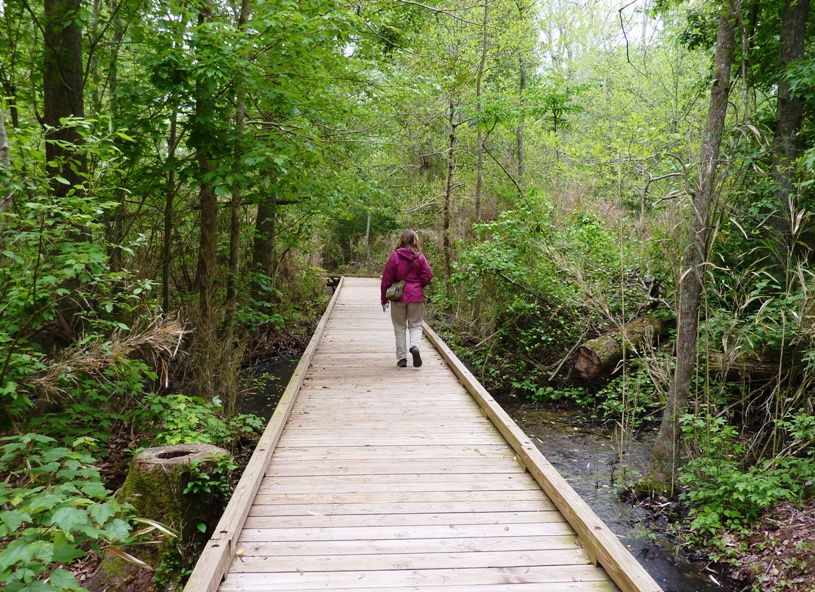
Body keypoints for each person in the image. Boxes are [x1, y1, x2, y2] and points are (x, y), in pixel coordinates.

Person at [380, 229, 433, 367]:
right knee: (415, 325)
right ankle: (414, 346)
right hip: (416, 296)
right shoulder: (420, 257)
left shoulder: (394, 257)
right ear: (415, 241)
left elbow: (386, 279)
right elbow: (428, 276)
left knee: (400, 328)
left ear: (401, 240)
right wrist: (418, 286)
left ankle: (402, 358)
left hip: (398, 297)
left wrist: (384, 298)